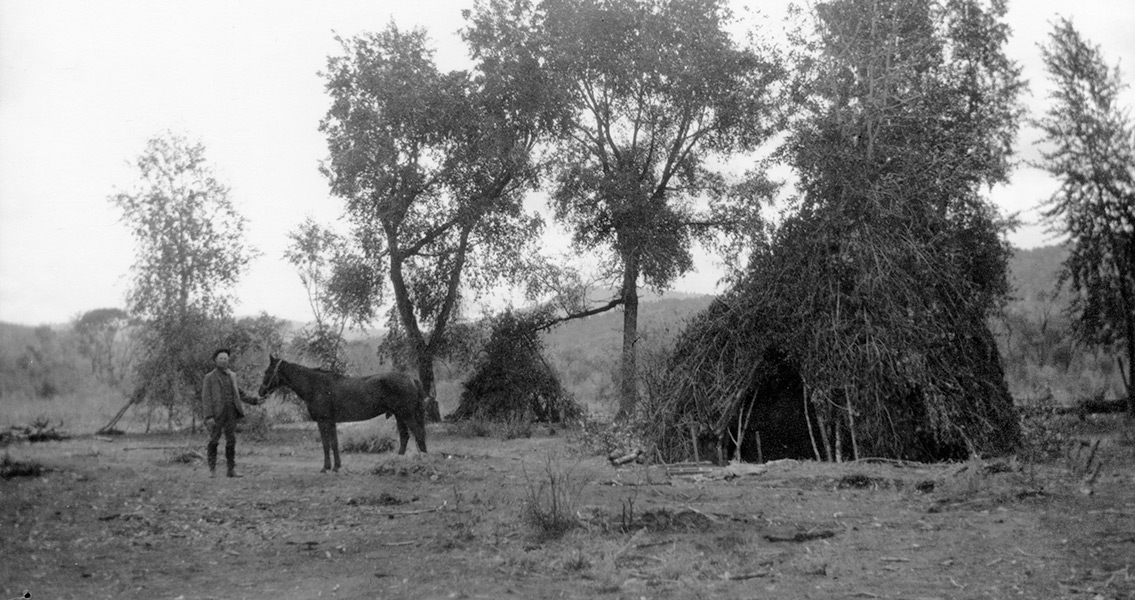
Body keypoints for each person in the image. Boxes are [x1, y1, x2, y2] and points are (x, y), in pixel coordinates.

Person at [201, 348, 261, 477]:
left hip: (231, 412)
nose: (224, 361)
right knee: (214, 441)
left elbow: (240, 393)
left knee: (231, 441)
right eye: (221, 358)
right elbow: (206, 398)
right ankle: (212, 470)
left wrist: (255, 401)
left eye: (226, 358)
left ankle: (231, 470)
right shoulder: (209, 377)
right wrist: (209, 416)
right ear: (215, 360)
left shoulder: (232, 375)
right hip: (216, 414)